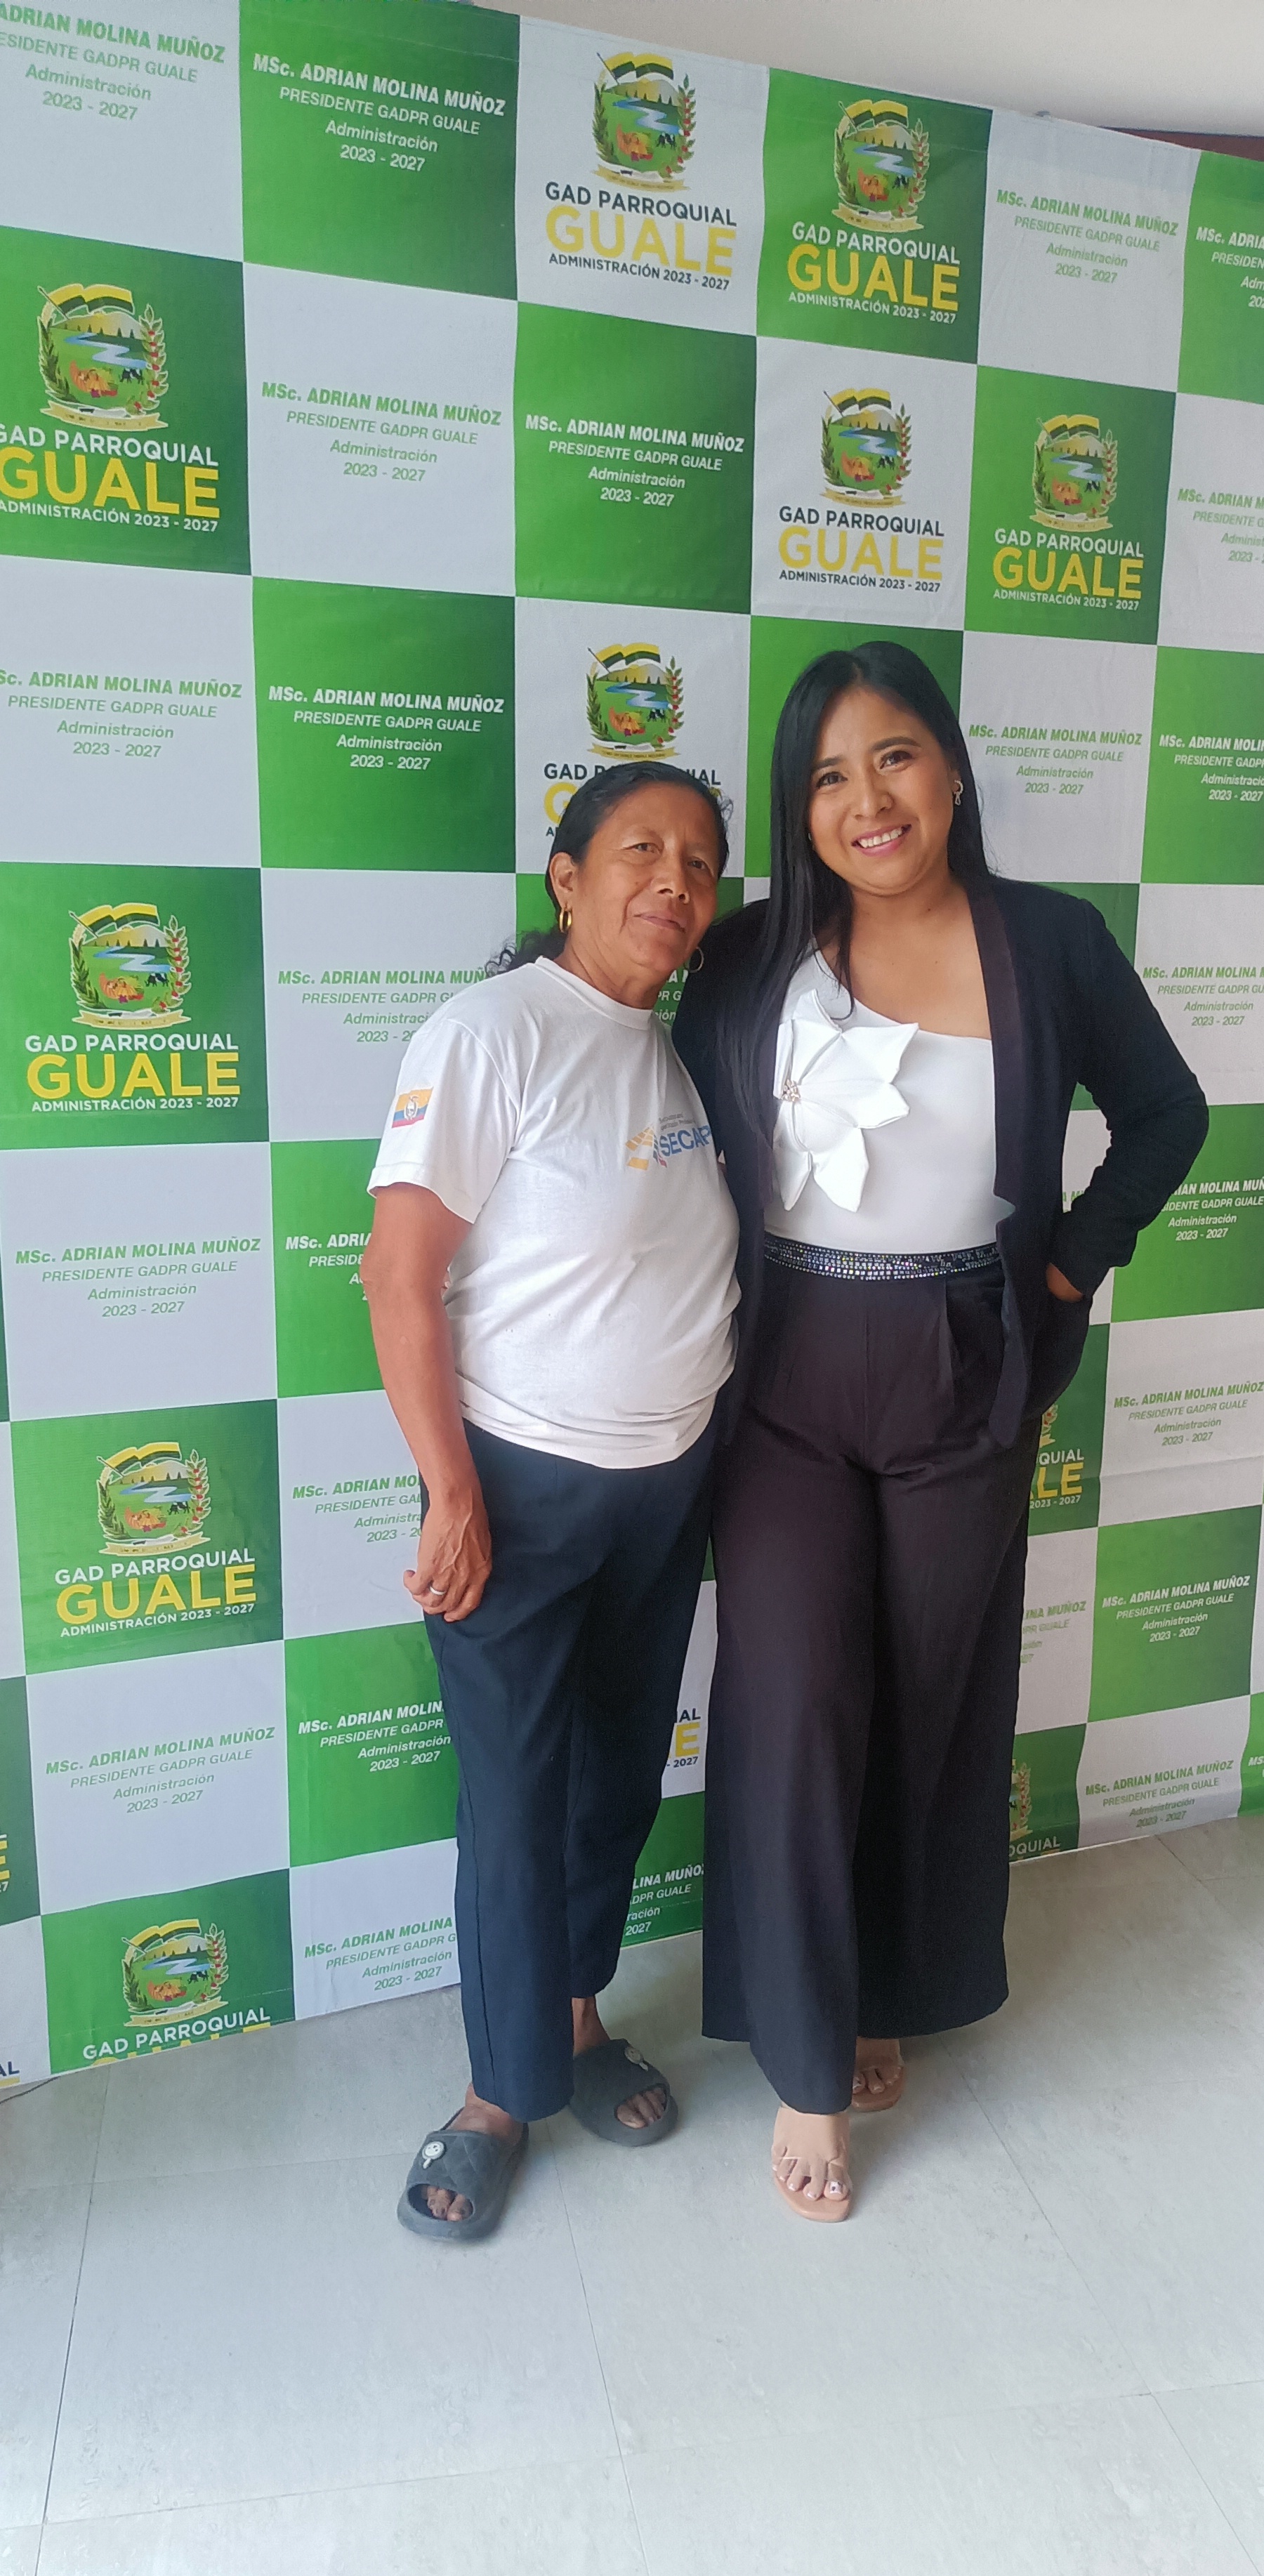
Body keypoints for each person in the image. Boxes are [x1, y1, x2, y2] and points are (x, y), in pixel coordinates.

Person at [671, 641, 1207, 2223]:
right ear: (800, 808)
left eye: (895, 756)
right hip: (785, 1365)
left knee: (926, 1693)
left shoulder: (1051, 941)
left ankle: (883, 1988)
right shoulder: (752, 951)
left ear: (953, 768)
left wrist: (1065, 1265)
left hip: (965, 1361)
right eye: (829, 776)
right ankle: (803, 2063)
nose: (869, 799)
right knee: (792, 1698)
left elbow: (1168, 1114)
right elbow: (655, 1103)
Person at [361, 764, 739, 2240]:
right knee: (517, 1798)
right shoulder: (491, 1032)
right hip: (519, 1485)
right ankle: (496, 2096)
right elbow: (398, 1276)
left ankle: (574, 2021)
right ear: (566, 879)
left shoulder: (672, 1052)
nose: (675, 881)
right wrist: (451, 1488)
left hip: (665, 1487)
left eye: (700, 860)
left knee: (616, 1775)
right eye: (641, 849)